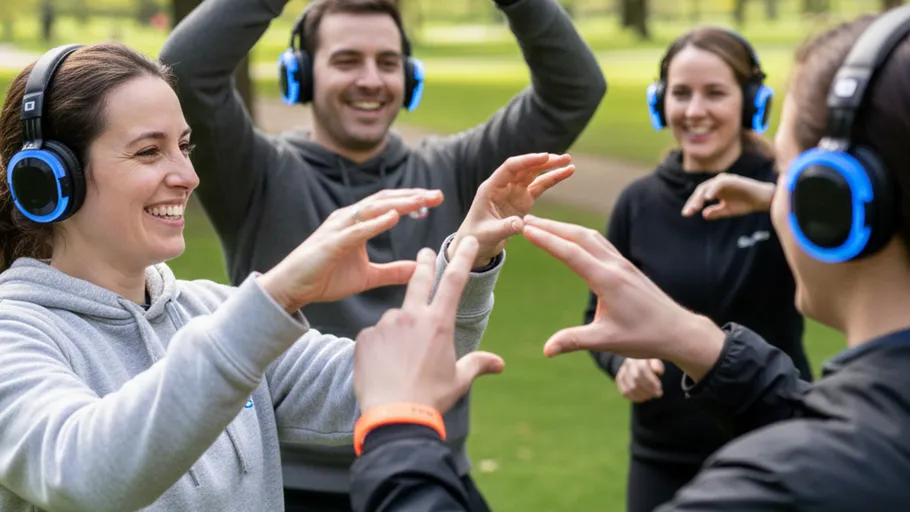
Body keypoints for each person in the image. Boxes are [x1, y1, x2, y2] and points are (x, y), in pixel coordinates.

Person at [342, 8, 910, 510]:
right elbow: (828, 427)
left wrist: (400, 427)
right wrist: (699, 345)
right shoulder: (869, 435)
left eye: (790, 176)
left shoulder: (779, 483)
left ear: (829, 202)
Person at [0, 41, 573, 511]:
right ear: (48, 179)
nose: (188, 176)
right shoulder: (15, 334)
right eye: (149, 152)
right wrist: (276, 295)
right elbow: (86, 473)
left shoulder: (211, 312)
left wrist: (466, 259)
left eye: (184, 146)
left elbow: (390, 381)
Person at [158, 0, 604, 505]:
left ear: (409, 78)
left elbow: (574, 90)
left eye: (387, 62)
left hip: (427, 469)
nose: (371, 80)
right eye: (347, 61)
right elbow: (186, 74)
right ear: (300, 76)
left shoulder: (461, 170)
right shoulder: (256, 173)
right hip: (292, 486)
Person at [581, 26, 811, 511]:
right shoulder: (638, 203)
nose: (694, 110)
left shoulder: (785, 195)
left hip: (774, 443)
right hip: (663, 457)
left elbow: (861, 242)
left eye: (715, 93)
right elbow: (596, 316)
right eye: (681, 93)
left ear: (752, 103)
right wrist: (622, 362)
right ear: (659, 101)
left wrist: (773, 200)